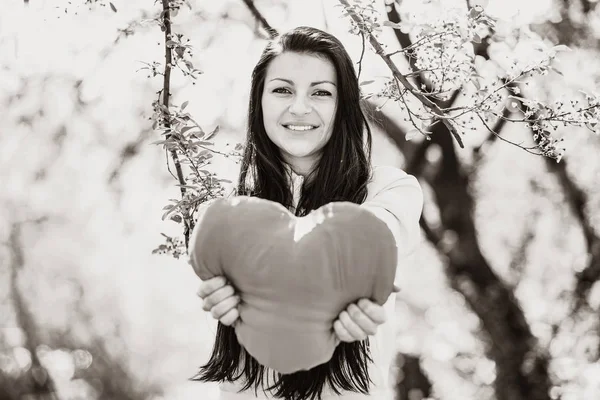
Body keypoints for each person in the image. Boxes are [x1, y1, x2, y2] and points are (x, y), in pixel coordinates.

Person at [191, 26, 423, 400]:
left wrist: (362, 283)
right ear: (259, 102)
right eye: (282, 89)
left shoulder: (390, 190)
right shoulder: (225, 212)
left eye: (321, 92)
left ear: (343, 105)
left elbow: (375, 245)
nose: (300, 107)